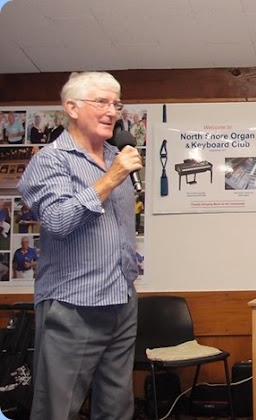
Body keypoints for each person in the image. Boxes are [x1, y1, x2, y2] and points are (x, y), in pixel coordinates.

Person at [18, 71, 142, 420]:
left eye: (116, 104)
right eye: (101, 102)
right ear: (71, 107)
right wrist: (112, 177)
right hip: (74, 304)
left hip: (122, 301)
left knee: (117, 409)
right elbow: (57, 221)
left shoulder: (117, 155)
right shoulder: (50, 161)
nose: (111, 112)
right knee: (57, 409)